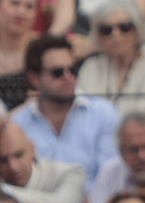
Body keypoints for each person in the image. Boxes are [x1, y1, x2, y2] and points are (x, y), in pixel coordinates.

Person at [11, 34, 119, 182]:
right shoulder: (17, 124)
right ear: (34, 79)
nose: (68, 77)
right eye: (57, 72)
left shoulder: (103, 113)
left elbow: (111, 179)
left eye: (72, 70)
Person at [76, 0, 145, 104]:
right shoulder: (91, 67)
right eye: (106, 30)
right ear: (99, 37)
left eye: (124, 27)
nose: (116, 34)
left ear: (137, 30)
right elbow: (82, 108)